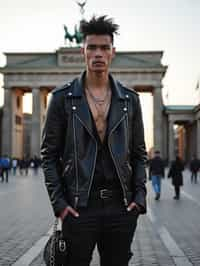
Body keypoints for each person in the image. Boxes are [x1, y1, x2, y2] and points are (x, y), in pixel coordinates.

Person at [41, 15, 147, 266]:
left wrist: (139, 199)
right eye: (92, 47)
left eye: (104, 48)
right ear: (83, 51)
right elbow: (48, 155)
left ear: (113, 53)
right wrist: (60, 204)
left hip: (120, 207)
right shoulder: (61, 99)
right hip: (79, 207)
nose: (98, 53)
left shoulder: (129, 100)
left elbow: (139, 153)